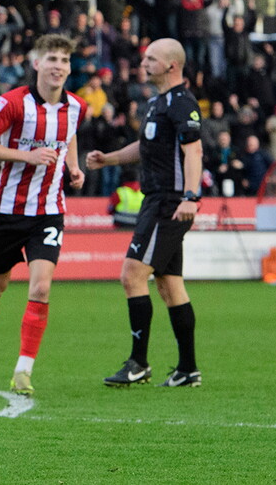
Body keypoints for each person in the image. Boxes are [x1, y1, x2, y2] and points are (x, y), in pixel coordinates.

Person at [0, 34, 87, 396]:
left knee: (42, 286)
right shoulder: (13, 102)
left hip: (49, 212)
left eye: (64, 60)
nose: (58, 66)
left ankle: (23, 371)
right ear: (36, 64)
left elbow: (70, 135)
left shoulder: (76, 106)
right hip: (7, 211)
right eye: (51, 59)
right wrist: (27, 156)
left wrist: (73, 168)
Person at [86, 38, 204, 388]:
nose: (144, 63)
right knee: (170, 287)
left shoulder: (182, 103)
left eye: (151, 58)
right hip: (157, 199)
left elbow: (194, 152)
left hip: (169, 202)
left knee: (131, 275)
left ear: (171, 65)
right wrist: (109, 158)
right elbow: (146, 146)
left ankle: (139, 363)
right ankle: (187, 369)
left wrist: (190, 197)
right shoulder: (157, 103)